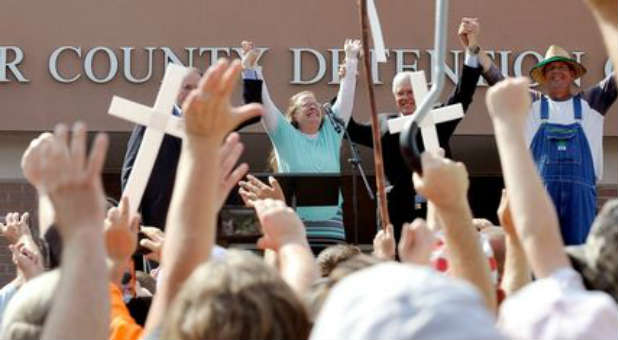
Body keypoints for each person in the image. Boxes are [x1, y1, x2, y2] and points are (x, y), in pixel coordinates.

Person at [469, 16, 618, 245]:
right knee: (540, 257)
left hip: (581, 201)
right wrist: (473, 45)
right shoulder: (531, 103)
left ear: (572, 74)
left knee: (580, 260)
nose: (556, 71)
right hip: (540, 197)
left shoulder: (593, 102)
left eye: (562, 67)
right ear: (544, 76)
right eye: (551, 68)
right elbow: (495, 77)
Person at [345, 20, 484, 241]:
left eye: (411, 92)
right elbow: (348, 129)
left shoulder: (437, 118)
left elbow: (463, 94)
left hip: (437, 210)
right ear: (394, 97)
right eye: (401, 93)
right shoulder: (384, 125)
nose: (406, 98)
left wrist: (471, 49)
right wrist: (348, 77)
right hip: (398, 216)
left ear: (423, 93)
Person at [240, 40, 361, 252]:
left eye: (315, 103)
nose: (313, 106)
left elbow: (346, 99)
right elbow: (264, 102)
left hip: (332, 229)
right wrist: (252, 69)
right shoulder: (285, 134)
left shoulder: (331, 133)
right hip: (297, 226)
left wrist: (351, 61)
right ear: (294, 116)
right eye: (306, 104)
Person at [121, 67, 261, 230]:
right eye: (187, 88)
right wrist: (130, 220)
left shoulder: (213, 122)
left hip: (207, 223)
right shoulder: (152, 122)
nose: (193, 93)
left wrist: (250, 69)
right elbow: (131, 173)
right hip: (161, 223)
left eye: (198, 88)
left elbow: (253, 111)